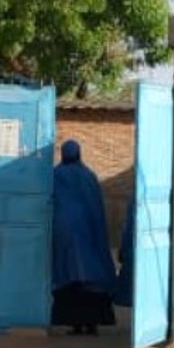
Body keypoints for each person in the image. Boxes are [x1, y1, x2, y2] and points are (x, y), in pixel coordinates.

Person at [51, 140, 118, 336]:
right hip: (90, 236)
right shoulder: (89, 177)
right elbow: (97, 208)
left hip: (63, 235)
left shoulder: (56, 175)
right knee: (91, 277)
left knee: (69, 277)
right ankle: (92, 323)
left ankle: (75, 324)